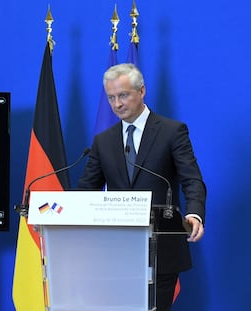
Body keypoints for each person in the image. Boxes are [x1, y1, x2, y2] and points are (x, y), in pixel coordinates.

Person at [77, 63, 206, 311]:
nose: (117, 104)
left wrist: (194, 213)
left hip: (161, 249)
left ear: (142, 91)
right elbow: (86, 191)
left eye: (123, 95)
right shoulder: (103, 142)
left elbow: (192, 179)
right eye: (111, 97)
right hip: (116, 252)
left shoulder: (172, 131)